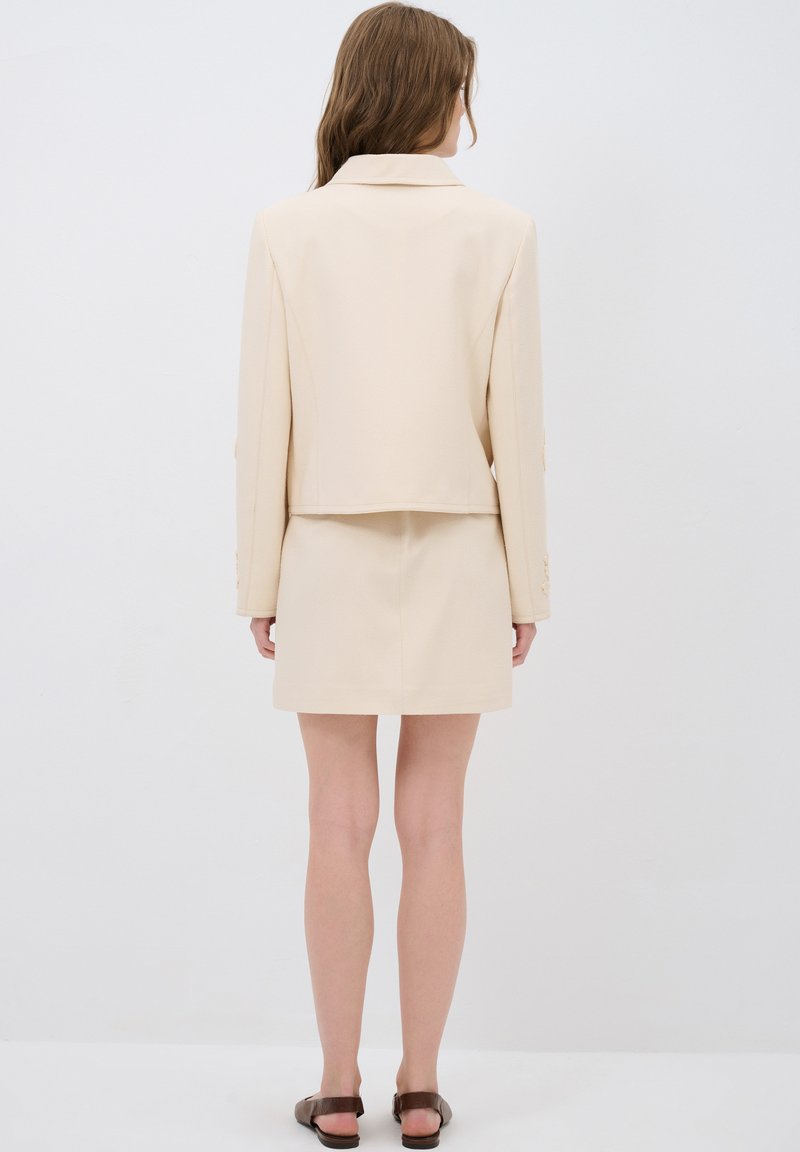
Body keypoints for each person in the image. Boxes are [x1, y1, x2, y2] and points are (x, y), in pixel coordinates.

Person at [234, 4, 551, 1147]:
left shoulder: (289, 229)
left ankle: (335, 1090)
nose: (468, 110)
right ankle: (418, 1089)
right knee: (435, 825)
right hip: (461, 550)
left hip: (324, 548)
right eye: (463, 88)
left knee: (335, 821)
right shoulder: (499, 230)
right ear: (432, 95)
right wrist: (526, 587)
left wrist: (257, 579)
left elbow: (264, 423)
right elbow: (514, 427)